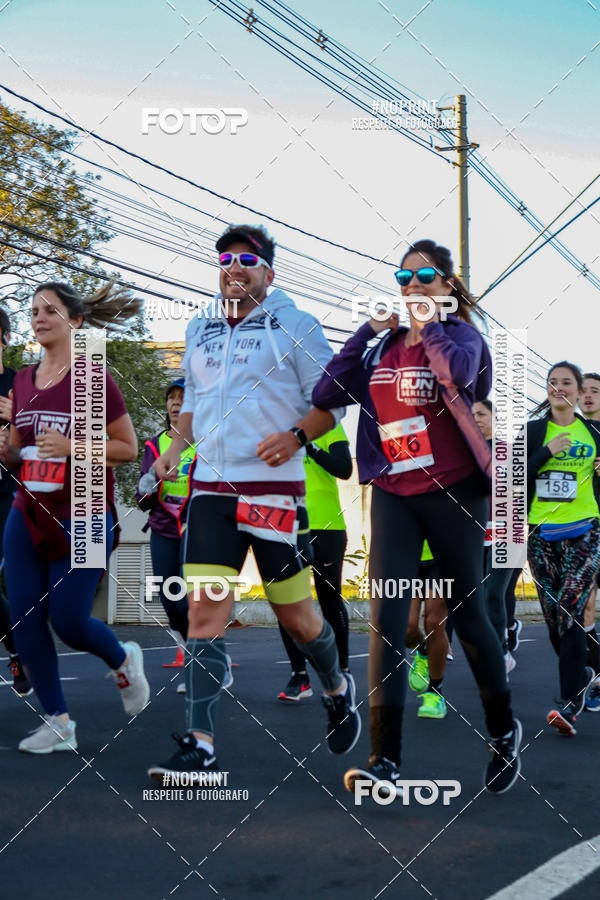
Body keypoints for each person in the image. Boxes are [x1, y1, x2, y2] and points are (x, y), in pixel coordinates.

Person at [148, 225, 360, 782]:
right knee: (204, 611)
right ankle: (202, 748)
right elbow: (191, 405)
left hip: (274, 491)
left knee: (296, 615)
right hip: (212, 491)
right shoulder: (200, 328)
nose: (234, 268)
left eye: (247, 259)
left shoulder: (297, 325)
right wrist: (173, 450)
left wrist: (295, 436)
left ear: (269, 270)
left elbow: (332, 401)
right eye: (225, 259)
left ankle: (336, 686)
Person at [313, 238, 521, 797]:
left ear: (448, 287)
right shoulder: (382, 349)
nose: (412, 287)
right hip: (394, 493)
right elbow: (326, 390)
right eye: (404, 279)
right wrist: (364, 334)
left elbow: (455, 373)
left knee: (470, 616)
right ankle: (386, 759)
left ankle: (503, 733)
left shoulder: (463, 338)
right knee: (387, 618)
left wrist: (428, 324)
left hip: (454, 493)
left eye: (426, 277)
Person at [0, 281, 150, 753]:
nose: (38, 317)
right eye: (33, 311)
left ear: (76, 321)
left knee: (68, 620)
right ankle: (58, 722)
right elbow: (17, 456)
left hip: (84, 514)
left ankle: (123, 659)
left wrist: (71, 447)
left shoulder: (93, 380)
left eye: (49, 310)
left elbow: (126, 449)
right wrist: (8, 450)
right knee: (25, 617)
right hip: (27, 513)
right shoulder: (22, 381)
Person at [527, 362, 600, 735]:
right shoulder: (533, 431)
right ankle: (588, 667)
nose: (559, 387)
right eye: (552, 382)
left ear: (577, 391)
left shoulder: (594, 432)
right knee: (556, 619)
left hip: (585, 531)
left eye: (566, 383)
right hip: (541, 534)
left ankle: (569, 704)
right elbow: (510, 477)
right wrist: (547, 452)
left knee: (570, 612)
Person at [277, 422, 352, 701]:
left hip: (328, 526)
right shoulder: (278, 426)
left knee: (330, 599)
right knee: (289, 602)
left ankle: (343, 669)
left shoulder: (330, 425)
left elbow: (345, 470)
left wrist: (310, 446)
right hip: (288, 525)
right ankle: (300, 676)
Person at [137, 378, 197, 691]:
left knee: (189, 602)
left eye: (182, 398)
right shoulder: (154, 444)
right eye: (171, 398)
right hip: (162, 527)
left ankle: (203, 661)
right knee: (169, 599)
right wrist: (152, 485)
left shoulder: (206, 441)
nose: (175, 403)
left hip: (195, 526)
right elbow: (143, 489)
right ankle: (194, 654)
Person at [0, 307, 31, 696]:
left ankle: (21, 649)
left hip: (7, 493)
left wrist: (14, 426)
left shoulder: (19, 383)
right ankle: (19, 646)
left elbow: (42, 438)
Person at [472, 399, 516, 676]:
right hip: (475, 532)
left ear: (494, 417)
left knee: (493, 594)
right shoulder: (465, 453)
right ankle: (496, 646)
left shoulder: (509, 452)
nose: (476, 418)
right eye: (472, 414)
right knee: (478, 598)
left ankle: (500, 654)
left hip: (507, 531)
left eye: (482, 414)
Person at [406, 539, 449, 719]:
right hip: (406, 553)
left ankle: (435, 692)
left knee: (434, 622)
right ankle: (423, 651)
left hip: (442, 554)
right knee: (407, 628)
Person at [578, 372, 600, 710]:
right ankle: (595, 680)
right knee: (585, 606)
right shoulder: (569, 433)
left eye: (595, 391)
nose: (588, 396)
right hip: (583, 528)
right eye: (584, 391)